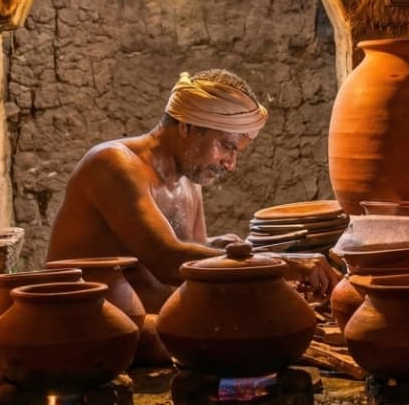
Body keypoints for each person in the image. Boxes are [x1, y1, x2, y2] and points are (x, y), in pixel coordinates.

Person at [45, 69, 337, 313]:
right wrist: (283, 265)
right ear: (187, 126)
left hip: (162, 326)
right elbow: (166, 259)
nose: (231, 164)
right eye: (227, 146)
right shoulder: (113, 164)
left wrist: (222, 248)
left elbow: (192, 259)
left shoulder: (189, 182)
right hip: (89, 328)